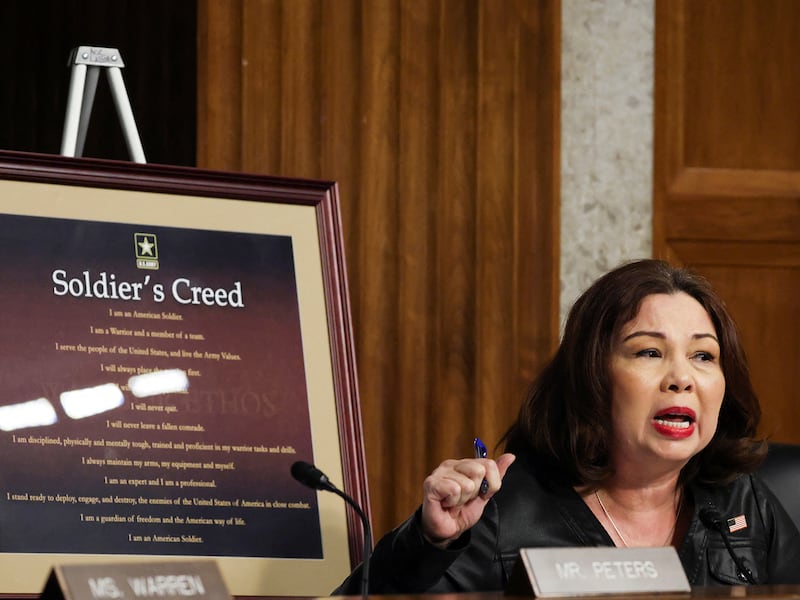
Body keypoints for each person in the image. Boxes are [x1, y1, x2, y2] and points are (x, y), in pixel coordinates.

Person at [335, 259, 800, 594]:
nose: (681, 378)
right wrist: (431, 542)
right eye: (649, 352)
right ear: (592, 376)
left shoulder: (744, 503)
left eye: (703, 356)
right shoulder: (504, 513)